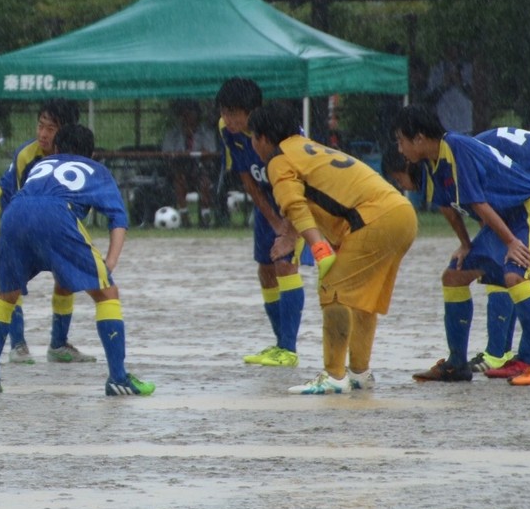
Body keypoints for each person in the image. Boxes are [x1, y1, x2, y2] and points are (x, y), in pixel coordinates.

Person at [388, 127, 530, 377]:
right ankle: (482, 358)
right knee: (479, 269)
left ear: (415, 146)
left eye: (397, 179)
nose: (399, 185)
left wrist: (511, 241)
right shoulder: (440, 164)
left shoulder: (455, 155)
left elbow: (484, 203)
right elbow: (476, 215)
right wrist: (468, 245)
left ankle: (527, 357)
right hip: (520, 197)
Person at [248, 102, 417, 394]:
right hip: (402, 215)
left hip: (372, 219)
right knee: (363, 300)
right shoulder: (306, 146)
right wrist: (290, 236)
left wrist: (318, 247)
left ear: (263, 138)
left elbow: (294, 203)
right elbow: (307, 197)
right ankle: (359, 373)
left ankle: (334, 375)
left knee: (333, 289)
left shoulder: (277, 159)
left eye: (253, 137)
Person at [0, 123, 154, 397]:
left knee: (6, 295)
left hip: (13, 216)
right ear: (91, 154)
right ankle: (118, 377)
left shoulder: (41, 165)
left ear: (57, 149)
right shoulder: (96, 169)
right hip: (57, 216)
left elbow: (26, 198)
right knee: (107, 293)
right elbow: (117, 218)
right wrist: (110, 262)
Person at [0, 98, 95, 364]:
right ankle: (18, 345)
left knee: (65, 274)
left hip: (49, 217)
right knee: (12, 278)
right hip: (11, 210)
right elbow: (17, 201)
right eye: (40, 126)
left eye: (51, 128)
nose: (42, 134)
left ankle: (58, 345)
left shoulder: (78, 160)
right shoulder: (27, 156)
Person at [216, 78, 306, 368]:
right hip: (268, 206)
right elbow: (246, 176)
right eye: (224, 112)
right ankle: (280, 343)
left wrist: (288, 226)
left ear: (253, 111)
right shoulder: (226, 131)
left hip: (296, 201)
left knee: (284, 264)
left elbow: (303, 180)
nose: (229, 119)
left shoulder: (281, 130)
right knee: (266, 271)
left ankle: (288, 349)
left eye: (235, 113)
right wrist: (271, 219)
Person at [160, 99, 220, 227]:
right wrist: (180, 153)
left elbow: (211, 151)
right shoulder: (174, 133)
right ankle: (184, 216)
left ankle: (205, 216)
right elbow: (166, 151)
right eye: (184, 114)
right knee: (179, 180)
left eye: (191, 114)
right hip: (180, 169)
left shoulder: (205, 131)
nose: (187, 118)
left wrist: (200, 153)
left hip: (201, 168)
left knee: (205, 183)